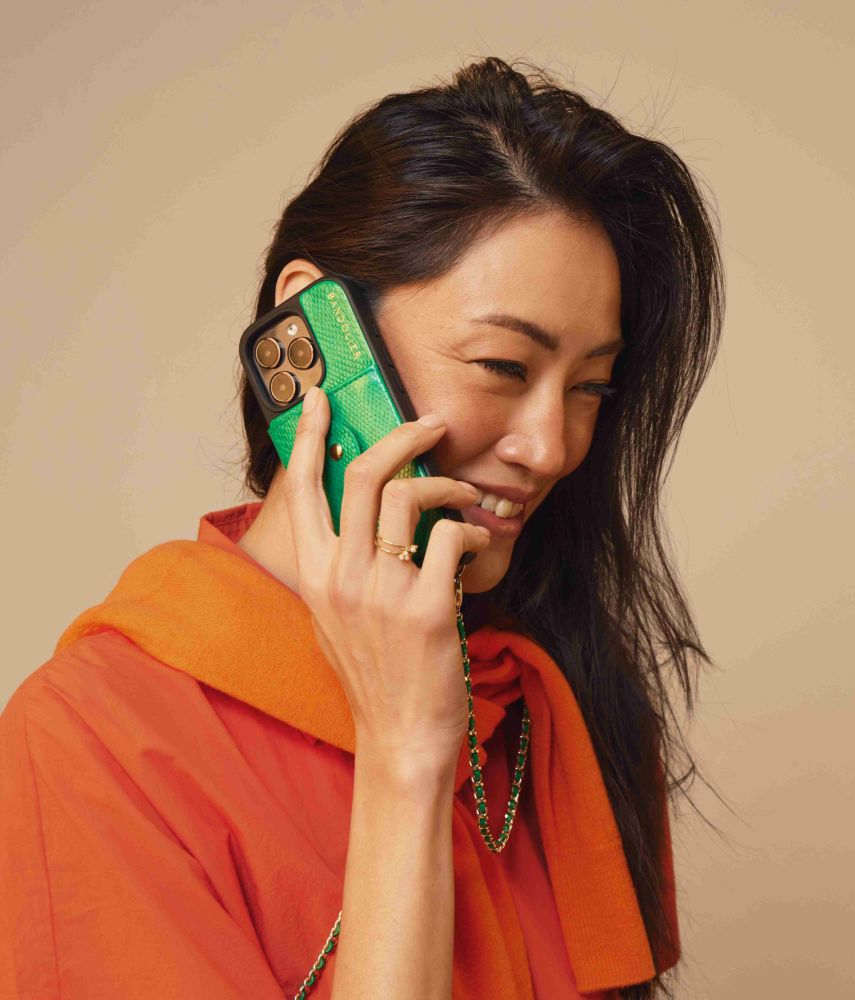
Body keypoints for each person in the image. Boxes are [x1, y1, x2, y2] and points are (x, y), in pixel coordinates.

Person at [0, 56, 723, 999]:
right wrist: (406, 758)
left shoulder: (550, 702)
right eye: (504, 366)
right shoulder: (93, 743)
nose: (553, 447)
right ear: (311, 331)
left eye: (590, 386)